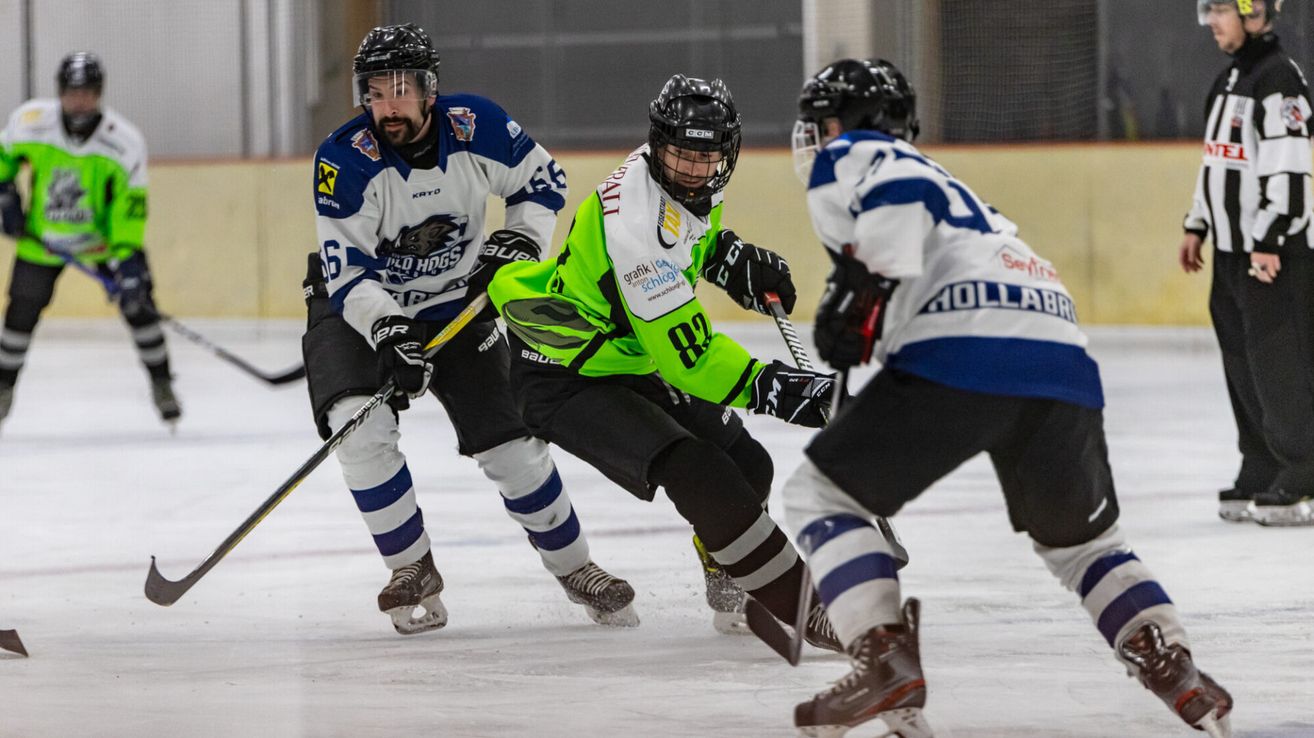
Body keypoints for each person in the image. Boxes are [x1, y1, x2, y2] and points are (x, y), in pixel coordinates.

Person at [781, 59, 1234, 737]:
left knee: (822, 497)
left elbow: (897, 195)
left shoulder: (863, 153)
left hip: (966, 346)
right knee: (1085, 545)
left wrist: (864, 287)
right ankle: (1168, 660)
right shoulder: (962, 192)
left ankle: (882, 659)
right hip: (1060, 357)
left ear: (843, 123)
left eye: (822, 124)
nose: (817, 137)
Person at [481, 73, 842, 646]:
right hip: (565, 373)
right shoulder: (633, 228)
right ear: (658, 144)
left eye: (708, 156)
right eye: (682, 154)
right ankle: (806, 609)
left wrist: (732, 259)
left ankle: (726, 566)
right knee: (698, 467)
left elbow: (692, 238)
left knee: (750, 466)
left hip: (630, 354)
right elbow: (691, 360)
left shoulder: (685, 181)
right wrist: (780, 389)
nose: (696, 170)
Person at [303, 23, 634, 635]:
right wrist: (388, 332)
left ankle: (576, 567)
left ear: (430, 89)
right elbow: (348, 271)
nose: (386, 106)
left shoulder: (476, 126)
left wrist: (521, 240)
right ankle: (411, 568)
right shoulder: (343, 160)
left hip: (460, 301)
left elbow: (544, 183)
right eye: (374, 92)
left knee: (511, 444)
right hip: (356, 306)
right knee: (358, 427)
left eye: (399, 89)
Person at [1181, 0, 1314, 526]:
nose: (1211, 21)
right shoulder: (1232, 77)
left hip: (1272, 255)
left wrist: (1271, 238)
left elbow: (1290, 170)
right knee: (1242, 363)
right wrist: (1197, 223)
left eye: (1219, 10)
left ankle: (1303, 469)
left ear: (1252, 11)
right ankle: (1260, 461)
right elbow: (1215, 160)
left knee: (1280, 366)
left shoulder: (1279, 79)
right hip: (1233, 255)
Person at [0, 52, 179, 430]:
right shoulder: (31, 122)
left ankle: (162, 383)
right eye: (72, 91)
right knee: (20, 314)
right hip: (43, 240)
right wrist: (5, 193)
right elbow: (4, 159)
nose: (79, 99)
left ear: (99, 93)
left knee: (140, 306)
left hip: (100, 243)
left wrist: (128, 259)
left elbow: (129, 206)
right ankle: (3, 388)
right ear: (60, 92)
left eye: (87, 92)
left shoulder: (124, 141)